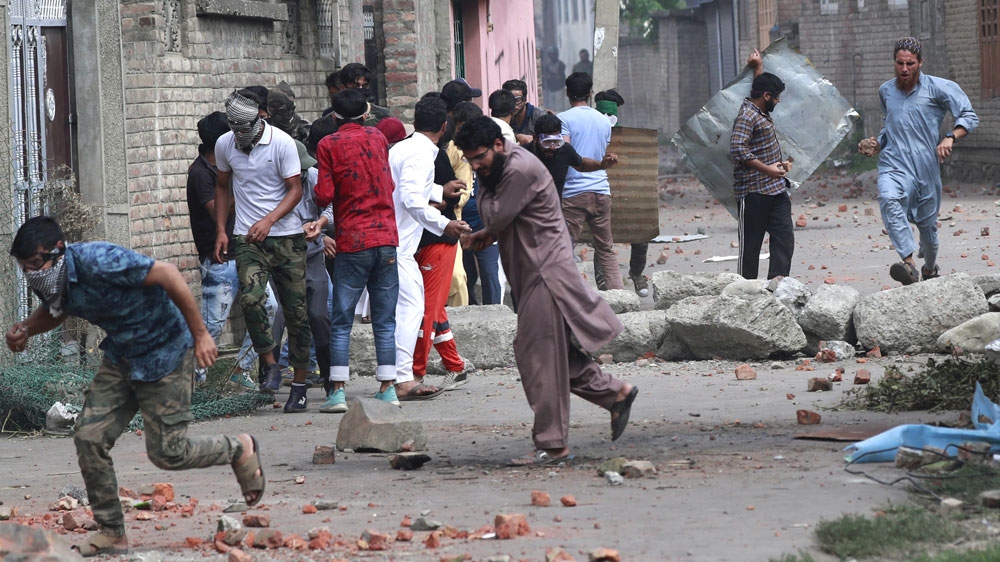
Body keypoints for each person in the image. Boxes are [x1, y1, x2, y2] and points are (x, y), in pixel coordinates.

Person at [5, 216, 264, 556]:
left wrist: (201, 334)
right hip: (122, 357)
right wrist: (26, 329)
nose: (32, 274)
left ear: (58, 251)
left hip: (166, 351)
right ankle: (112, 531)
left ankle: (239, 448)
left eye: (36, 264)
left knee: (169, 453)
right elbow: (58, 311)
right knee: (89, 436)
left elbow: (170, 274)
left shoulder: (100, 261)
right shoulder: (55, 281)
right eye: (25, 268)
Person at [455, 117, 638, 465]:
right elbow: (504, 221)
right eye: (470, 160)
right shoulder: (500, 168)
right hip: (532, 272)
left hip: (545, 273)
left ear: (497, 145)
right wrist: (487, 231)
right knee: (551, 355)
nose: (475, 166)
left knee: (537, 356)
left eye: (479, 158)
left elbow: (493, 213)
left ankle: (554, 444)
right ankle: (616, 394)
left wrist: (486, 223)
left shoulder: (517, 169)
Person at [213, 89, 313, 412]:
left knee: (297, 313)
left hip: (287, 237)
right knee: (252, 299)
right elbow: (222, 186)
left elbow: (295, 190)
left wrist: (269, 220)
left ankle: (299, 384)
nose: (241, 136)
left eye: (246, 129)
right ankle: (269, 362)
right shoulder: (225, 145)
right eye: (235, 130)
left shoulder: (282, 144)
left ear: (261, 118)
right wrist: (221, 231)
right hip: (247, 238)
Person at [858, 37, 979, 285]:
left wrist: (950, 138)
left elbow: (968, 115)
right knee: (889, 198)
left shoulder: (938, 89)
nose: (904, 69)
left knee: (929, 232)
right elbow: (890, 125)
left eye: (910, 63)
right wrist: (878, 143)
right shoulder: (886, 91)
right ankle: (909, 263)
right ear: (894, 63)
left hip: (925, 168)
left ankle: (930, 269)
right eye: (900, 63)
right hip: (894, 163)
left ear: (920, 63)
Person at [313, 89, 400, 413]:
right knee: (384, 318)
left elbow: (323, 194)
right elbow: (388, 185)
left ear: (334, 117)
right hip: (386, 238)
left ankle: (337, 391)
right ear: (365, 113)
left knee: (342, 319)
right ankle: (388, 387)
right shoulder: (377, 137)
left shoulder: (328, 145)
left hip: (353, 241)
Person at [389, 95, 471, 401]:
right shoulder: (422, 154)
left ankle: (398, 377)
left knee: (404, 310)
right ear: (443, 126)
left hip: (395, 243)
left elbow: (407, 189)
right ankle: (403, 379)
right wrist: (444, 224)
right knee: (413, 309)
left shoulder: (402, 148)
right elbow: (410, 198)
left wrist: (440, 189)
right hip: (399, 245)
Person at [186, 111, 257, 390]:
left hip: (245, 253)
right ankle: (194, 380)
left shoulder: (228, 167)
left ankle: (242, 369)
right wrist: (246, 190)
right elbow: (219, 210)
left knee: (270, 310)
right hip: (219, 259)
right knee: (212, 325)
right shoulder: (201, 173)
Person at [413, 93, 472, 392]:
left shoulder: (430, 156)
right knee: (433, 309)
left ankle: (414, 374)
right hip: (423, 239)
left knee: (426, 310)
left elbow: (453, 196)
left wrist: (430, 204)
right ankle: (455, 365)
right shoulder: (421, 153)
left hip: (437, 239)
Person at [729, 50, 794, 281]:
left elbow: (759, 85)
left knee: (784, 238)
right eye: (776, 97)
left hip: (776, 191)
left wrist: (758, 66)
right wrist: (768, 169)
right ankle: (745, 293)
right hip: (753, 193)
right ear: (766, 96)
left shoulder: (759, 107)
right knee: (751, 248)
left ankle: (777, 285)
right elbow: (737, 148)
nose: (778, 101)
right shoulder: (748, 116)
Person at [558, 72, 624, 290]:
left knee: (565, 249)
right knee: (606, 249)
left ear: (567, 92)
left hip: (573, 193)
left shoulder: (564, 119)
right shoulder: (604, 121)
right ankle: (620, 297)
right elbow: (600, 153)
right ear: (590, 93)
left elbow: (565, 152)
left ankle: (566, 297)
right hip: (601, 191)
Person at [593, 89, 649, 297]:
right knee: (602, 238)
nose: (607, 120)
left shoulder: (629, 139)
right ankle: (604, 284)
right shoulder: (590, 134)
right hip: (599, 191)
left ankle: (636, 274)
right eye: (603, 113)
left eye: (611, 114)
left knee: (641, 234)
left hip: (626, 195)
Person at [454, 102, 503, 306]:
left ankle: (495, 313)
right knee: (466, 275)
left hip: (487, 223)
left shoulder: (492, 152)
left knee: (490, 272)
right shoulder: (453, 150)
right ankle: (472, 310)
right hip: (460, 224)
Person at [503, 78, 547, 145]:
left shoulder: (539, 116)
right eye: (509, 100)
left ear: (525, 99)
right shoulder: (503, 116)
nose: (513, 105)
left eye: (517, 100)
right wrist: (517, 137)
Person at [541, 48, 567, 113]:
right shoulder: (548, 65)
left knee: (559, 108)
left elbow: (559, 77)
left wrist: (550, 76)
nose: (552, 57)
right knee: (551, 108)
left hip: (559, 89)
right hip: (550, 90)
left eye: (553, 55)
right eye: (550, 55)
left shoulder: (561, 64)